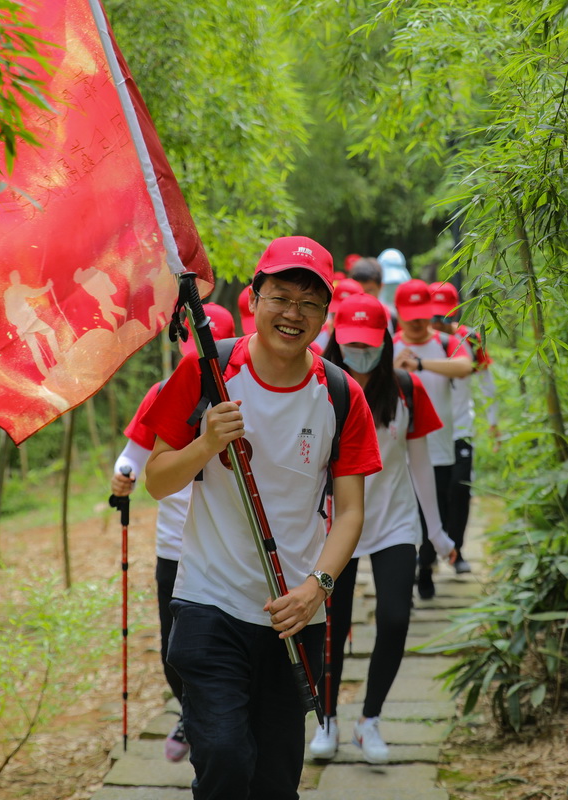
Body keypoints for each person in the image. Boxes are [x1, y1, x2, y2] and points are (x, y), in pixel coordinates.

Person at [138, 236, 382, 800]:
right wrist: (204, 446)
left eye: (308, 303)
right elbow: (157, 480)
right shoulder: (210, 370)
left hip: (291, 616)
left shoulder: (340, 394)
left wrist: (317, 588)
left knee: (275, 780)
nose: (292, 313)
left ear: (326, 315)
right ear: (254, 297)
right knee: (223, 754)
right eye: (280, 296)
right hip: (208, 604)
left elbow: (350, 512)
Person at [309, 293, 457, 764]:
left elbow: (421, 466)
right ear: (336, 343)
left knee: (395, 617)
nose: (361, 353)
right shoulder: (317, 389)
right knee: (333, 624)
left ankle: (369, 719)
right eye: (351, 344)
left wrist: (437, 532)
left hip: (393, 523)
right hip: (335, 528)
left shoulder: (406, 390)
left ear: (385, 343)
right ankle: (327, 718)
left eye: (369, 344)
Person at [109, 303, 236, 762]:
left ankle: (214, 724)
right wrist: (122, 475)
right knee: (172, 653)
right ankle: (192, 712)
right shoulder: (163, 392)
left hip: (228, 543)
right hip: (174, 547)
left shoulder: (243, 392)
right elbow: (132, 456)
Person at [392, 279, 472, 599]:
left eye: (421, 313)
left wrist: (421, 364)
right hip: (397, 450)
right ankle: (403, 580)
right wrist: (394, 368)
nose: (416, 320)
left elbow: (465, 366)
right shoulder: (390, 344)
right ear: (398, 313)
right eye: (409, 314)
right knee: (404, 515)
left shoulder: (445, 342)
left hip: (437, 448)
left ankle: (424, 569)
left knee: (432, 514)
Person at [429, 281, 498, 574]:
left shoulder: (468, 339)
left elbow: (487, 382)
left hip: (461, 429)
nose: (441, 324)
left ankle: (457, 549)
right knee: (434, 490)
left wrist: (494, 424)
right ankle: (431, 550)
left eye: (446, 317)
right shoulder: (422, 341)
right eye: (435, 317)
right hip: (430, 432)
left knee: (460, 489)